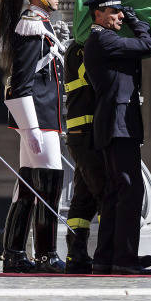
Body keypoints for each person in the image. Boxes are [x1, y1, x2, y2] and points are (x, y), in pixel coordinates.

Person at [0, 0, 66, 274]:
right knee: (48, 184)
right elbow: (20, 83)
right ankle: (45, 253)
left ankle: (13, 251)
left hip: (44, 117)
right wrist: (32, 128)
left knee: (27, 185)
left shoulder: (41, 27)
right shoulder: (31, 28)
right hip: (38, 118)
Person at [82, 0, 151, 275]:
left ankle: (107, 257)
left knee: (117, 191)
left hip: (118, 122)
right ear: (98, 14)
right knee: (129, 189)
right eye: (115, 11)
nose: (120, 17)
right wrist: (137, 19)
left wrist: (127, 15)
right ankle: (123, 257)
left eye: (121, 11)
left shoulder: (105, 39)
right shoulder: (103, 40)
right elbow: (147, 46)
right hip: (117, 124)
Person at [62, 40, 108, 274]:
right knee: (104, 192)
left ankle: (76, 253)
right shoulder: (82, 49)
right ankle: (107, 253)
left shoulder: (77, 48)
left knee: (84, 198)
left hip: (83, 131)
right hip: (87, 132)